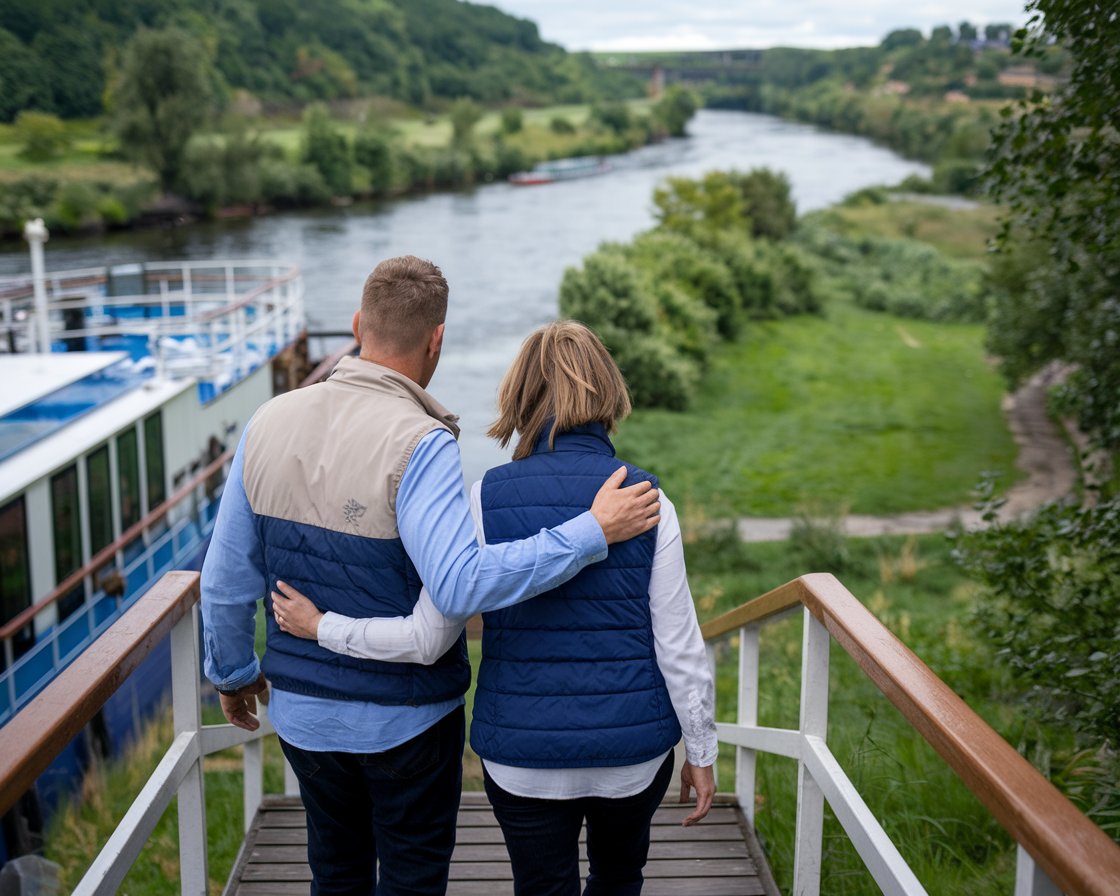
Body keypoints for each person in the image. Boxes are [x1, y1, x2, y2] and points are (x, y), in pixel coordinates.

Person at [200, 259, 661, 896]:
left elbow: (224, 579)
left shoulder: (266, 423)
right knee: (412, 877)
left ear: (359, 325)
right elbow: (458, 587)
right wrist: (588, 533)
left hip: (304, 713)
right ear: (436, 340)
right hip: (408, 722)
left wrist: (230, 673)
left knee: (334, 872)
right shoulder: (421, 441)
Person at [272, 319, 718, 896]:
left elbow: (428, 639)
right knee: (618, 878)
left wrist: (323, 627)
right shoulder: (647, 499)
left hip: (520, 756)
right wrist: (701, 751)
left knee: (541, 887)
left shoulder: (485, 498)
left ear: (522, 398)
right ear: (609, 394)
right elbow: (679, 643)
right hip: (631, 755)